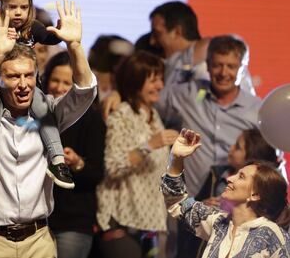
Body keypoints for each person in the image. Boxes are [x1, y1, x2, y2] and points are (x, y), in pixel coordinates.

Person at [0, 0, 97, 258]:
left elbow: (84, 92)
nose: (23, 84)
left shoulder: (50, 115)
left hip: (38, 241)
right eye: (13, 76)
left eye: (28, 75)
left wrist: (75, 45)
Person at [102, 35, 262, 197]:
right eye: (217, 65)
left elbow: (268, 164)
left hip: (234, 207)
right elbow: (145, 92)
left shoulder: (256, 110)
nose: (223, 72)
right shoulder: (188, 95)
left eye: (231, 66)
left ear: (242, 68)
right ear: (207, 65)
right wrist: (118, 93)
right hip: (187, 205)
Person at [0, 0, 74, 189]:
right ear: (0, 6)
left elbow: (51, 39)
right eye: (12, 7)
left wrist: (60, 31)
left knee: (43, 108)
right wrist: (1, 40)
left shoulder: (33, 28)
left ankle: (57, 160)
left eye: (24, 7)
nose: (19, 12)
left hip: (29, 88)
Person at [96, 51, 178, 258]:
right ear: (135, 82)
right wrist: (150, 145)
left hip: (151, 223)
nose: (159, 85)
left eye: (160, 79)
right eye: (153, 80)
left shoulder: (154, 115)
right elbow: (113, 167)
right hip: (123, 221)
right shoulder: (122, 114)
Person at [161, 128, 290, 257]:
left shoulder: (275, 237)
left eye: (241, 176)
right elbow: (177, 202)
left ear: (255, 195)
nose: (229, 178)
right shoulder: (217, 221)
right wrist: (176, 158)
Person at [43, 51, 105, 258]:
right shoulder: (34, 114)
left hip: (73, 222)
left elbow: (97, 174)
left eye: (67, 83)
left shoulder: (92, 120)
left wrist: (77, 163)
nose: (59, 88)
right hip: (36, 220)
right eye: (55, 80)